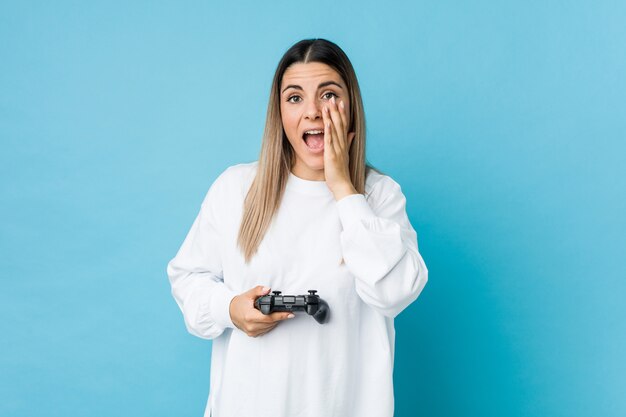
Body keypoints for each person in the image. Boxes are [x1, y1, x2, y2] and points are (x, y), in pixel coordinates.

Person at [167, 38, 428, 417]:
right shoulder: (236, 189)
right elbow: (186, 278)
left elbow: (395, 293)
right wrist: (230, 309)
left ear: (351, 106)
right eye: (295, 98)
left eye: (328, 95)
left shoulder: (379, 197)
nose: (312, 112)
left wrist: (343, 189)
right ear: (279, 113)